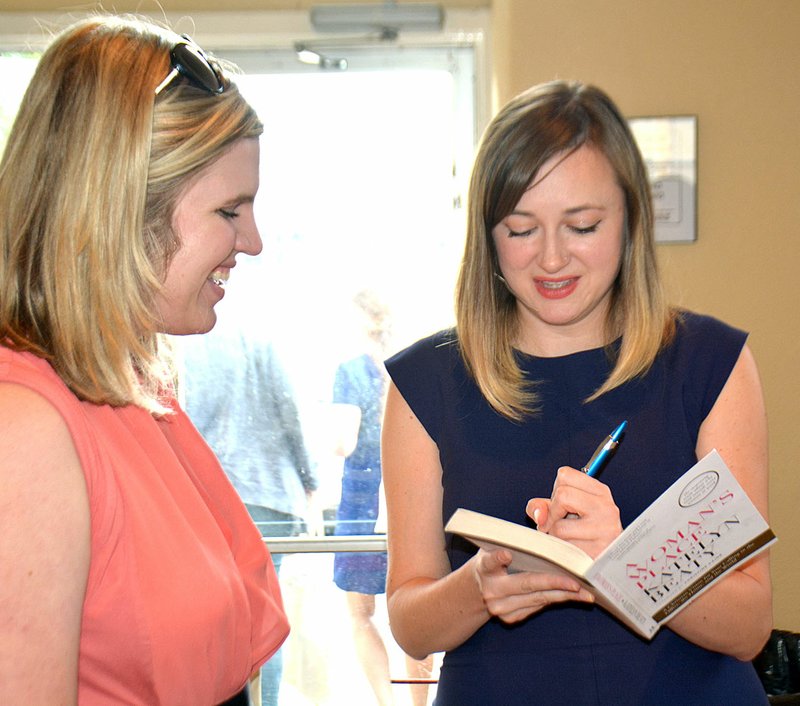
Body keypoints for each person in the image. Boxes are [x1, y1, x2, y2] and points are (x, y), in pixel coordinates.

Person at [381, 80, 771, 705]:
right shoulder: (426, 383)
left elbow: (749, 628)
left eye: (582, 225)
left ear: (630, 220)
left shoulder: (710, 365)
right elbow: (410, 622)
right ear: (486, 235)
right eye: (520, 229)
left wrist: (626, 561)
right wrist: (478, 585)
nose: (552, 258)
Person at [0, 15, 288, 705]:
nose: (252, 241)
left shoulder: (128, 387)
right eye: (229, 210)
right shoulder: (26, 430)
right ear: (124, 208)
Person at [181, 309, 319, 706]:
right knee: (263, 622)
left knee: (218, 624)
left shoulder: (186, 344)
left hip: (211, 496)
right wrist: (310, 479)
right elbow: (288, 409)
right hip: (269, 494)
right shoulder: (260, 340)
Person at [331, 290, 433, 706]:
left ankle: (386, 703)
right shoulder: (415, 367)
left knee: (361, 615)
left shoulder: (351, 372)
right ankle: (420, 704)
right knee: (414, 614)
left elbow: (342, 440)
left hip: (362, 503)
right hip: (409, 500)